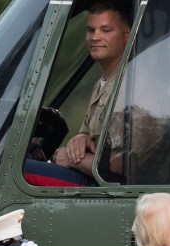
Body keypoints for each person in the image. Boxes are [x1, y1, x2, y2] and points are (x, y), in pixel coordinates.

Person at [52, 1, 131, 179]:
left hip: (109, 191)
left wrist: (73, 159)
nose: (95, 37)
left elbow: (122, 165)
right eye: (90, 30)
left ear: (127, 35)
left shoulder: (131, 84)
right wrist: (80, 138)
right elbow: (90, 135)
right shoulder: (103, 83)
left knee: (25, 171)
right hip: (94, 181)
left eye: (105, 30)